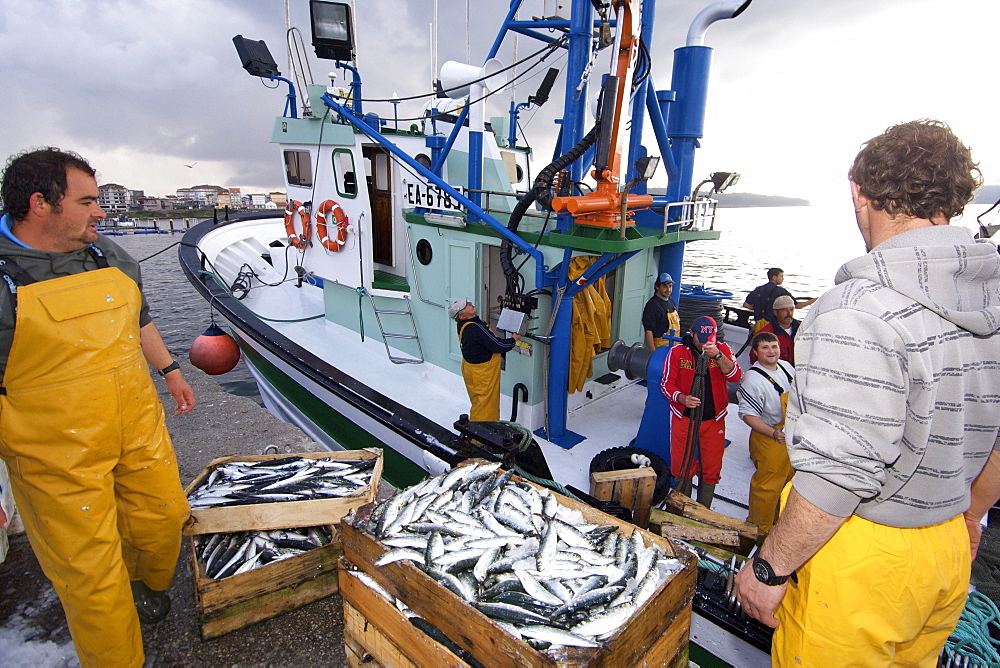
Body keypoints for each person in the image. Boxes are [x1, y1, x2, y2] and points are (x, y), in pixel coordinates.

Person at [733, 120, 1000, 666]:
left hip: (861, 558)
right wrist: (972, 514)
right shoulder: (990, 299)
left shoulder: (856, 308)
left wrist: (769, 568)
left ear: (859, 193)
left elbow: (840, 472)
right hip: (948, 542)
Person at [0, 148, 195, 667]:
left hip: (136, 424)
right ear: (40, 204)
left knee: (165, 519)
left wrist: (170, 371)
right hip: (53, 456)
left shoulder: (106, 254)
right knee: (92, 579)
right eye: (87, 201)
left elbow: (139, 317)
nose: (101, 211)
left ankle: (143, 584)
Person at [661, 315, 741, 508]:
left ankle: (703, 510)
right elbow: (666, 385)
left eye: (710, 339)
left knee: (711, 467)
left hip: (714, 421)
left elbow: (735, 375)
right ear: (692, 333)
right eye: (701, 339)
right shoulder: (677, 352)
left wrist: (717, 356)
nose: (705, 343)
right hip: (684, 420)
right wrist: (682, 398)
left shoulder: (722, 350)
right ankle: (681, 507)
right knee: (682, 466)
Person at [738, 332, 795, 536]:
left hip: (790, 438)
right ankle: (758, 530)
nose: (771, 351)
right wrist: (773, 433)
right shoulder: (752, 379)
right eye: (765, 347)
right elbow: (747, 415)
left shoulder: (787, 368)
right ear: (755, 352)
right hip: (769, 441)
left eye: (774, 346)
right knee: (767, 488)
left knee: (789, 482)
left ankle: (779, 526)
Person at [449, 297, 520, 421]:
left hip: (470, 369)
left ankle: (476, 431)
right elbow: (500, 346)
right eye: (465, 306)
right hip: (483, 373)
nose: (470, 304)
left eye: (467, 302)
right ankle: (481, 438)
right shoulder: (475, 328)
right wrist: (513, 339)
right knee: (486, 407)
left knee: (478, 402)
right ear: (462, 316)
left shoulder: (463, 325)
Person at [743, 268, 816, 331]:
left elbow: (746, 304)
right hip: (771, 326)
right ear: (774, 277)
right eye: (781, 276)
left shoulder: (758, 289)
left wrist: (758, 308)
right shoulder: (780, 291)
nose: (783, 278)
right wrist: (814, 300)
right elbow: (797, 305)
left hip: (758, 325)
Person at [751, 294, 800, 365]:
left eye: (791, 309)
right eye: (784, 310)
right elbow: (754, 358)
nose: (789, 313)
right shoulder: (765, 333)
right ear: (775, 312)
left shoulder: (803, 329)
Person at [642, 272, 681, 350]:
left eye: (670, 286)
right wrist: (653, 352)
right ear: (657, 287)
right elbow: (648, 331)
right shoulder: (652, 305)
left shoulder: (671, 301)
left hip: (674, 347)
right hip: (660, 348)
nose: (668, 290)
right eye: (664, 287)